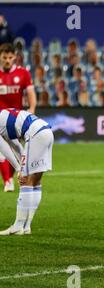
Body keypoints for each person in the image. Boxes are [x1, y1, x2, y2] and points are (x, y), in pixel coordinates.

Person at [0, 108, 54, 235]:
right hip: (47, 131)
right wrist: (21, 166)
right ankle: (27, 226)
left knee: (25, 181)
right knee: (36, 181)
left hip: (35, 134)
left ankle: (18, 226)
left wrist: (20, 169)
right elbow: (16, 145)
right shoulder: (3, 115)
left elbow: (5, 150)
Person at [0, 43, 37, 192]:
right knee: (2, 151)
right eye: (4, 57)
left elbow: (31, 94)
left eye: (10, 57)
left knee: (17, 149)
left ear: (15, 57)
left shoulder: (23, 73)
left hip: (15, 119)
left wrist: (32, 110)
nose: (7, 60)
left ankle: (21, 174)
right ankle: (8, 180)